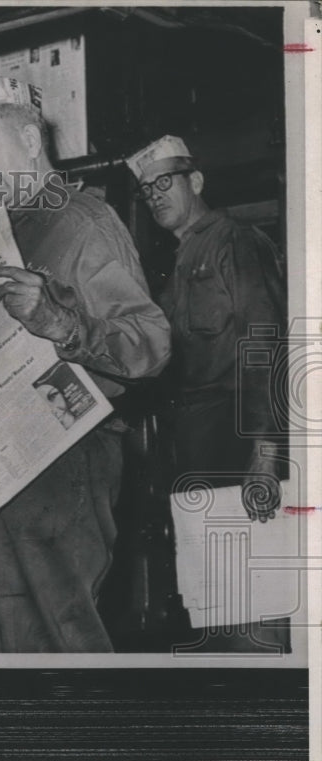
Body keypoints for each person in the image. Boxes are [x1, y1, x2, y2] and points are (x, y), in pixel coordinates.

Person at [0, 74, 171, 652]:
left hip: (64, 463)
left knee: (57, 639)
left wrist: (58, 321)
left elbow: (150, 343)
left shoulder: (82, 222)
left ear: (28, 139)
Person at [127, 136, 286, 521]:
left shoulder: (234, 240)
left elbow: (265, 344)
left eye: (164, 182)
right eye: (147, 189)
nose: (154, 196)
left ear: (195, 182)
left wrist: (265, 452)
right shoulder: (179, 261)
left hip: (233, 439)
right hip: (194, 442)